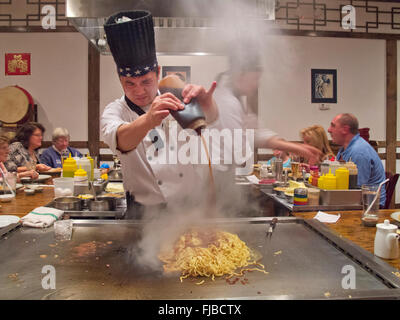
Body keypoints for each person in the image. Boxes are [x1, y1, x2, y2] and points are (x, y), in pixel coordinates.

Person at [101, 10, 218, 210]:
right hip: (144, 211)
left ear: (158, 72)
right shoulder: (115, 111)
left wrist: (208, 104)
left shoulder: (177, 97)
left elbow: (210, 118)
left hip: (188, 207)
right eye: (130, 84)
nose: (139, 91)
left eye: (146, 81)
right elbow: (120, 140)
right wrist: (149, 120)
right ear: (120, 80)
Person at [210, 39, 321, 174]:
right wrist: (290, 146)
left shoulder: (238, 99)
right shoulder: (225, 101)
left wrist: (293, 146)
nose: (257, 85)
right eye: (255, 79)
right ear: (240, 76)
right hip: (217, 173)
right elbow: (239, 145)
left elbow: (255, 132)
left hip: (225, 172)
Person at [328, 113, 386, 206]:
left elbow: (356, 191)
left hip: (369, 207)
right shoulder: (345, 148)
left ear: (345, 129)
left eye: (333, 126)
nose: (329, 130)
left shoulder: (358, 152)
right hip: (357, 201)